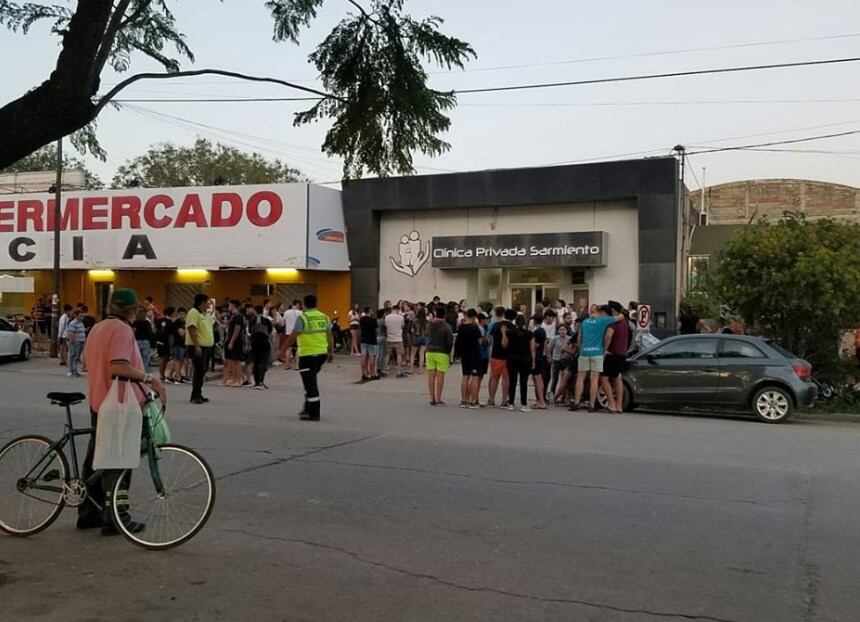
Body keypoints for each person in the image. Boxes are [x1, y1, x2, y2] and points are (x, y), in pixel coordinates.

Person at [77, 288, 166, 535]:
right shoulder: (122, 330)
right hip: (119, 405)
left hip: (99, 401)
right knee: (119, 462)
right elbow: (118, 366)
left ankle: (88, 512)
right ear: (130, 310)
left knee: (96, 460)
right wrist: (150, 379)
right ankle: (117, 518)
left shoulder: (97, 328)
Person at [284, 294, 334, 421]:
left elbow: (293, 336)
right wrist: (330, 352)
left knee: (310, 384)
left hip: (307, 355)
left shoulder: (303, 318)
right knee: (310, 381)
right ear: (316, 303)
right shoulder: (324, 317)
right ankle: (307, 408)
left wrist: (282, 350)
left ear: (304, 305)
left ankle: (314, 412)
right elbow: (330, 336)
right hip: (321, 355)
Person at [572, 304, 624, 412]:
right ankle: (591, 405)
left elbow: (579, 337)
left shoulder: (585, 322)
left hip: (584, 352)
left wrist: (581, 350)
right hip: (597, 352)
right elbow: (620, 317)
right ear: (599, 312)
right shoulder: (603, 320)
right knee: (594, 379)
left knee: (580, 378)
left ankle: (576, 402)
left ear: (591, 312)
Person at [600, 301, 630, 413]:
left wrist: (604, 349)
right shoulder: (624, 322)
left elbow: (609, 335)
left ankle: (611, 403)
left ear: (612, 310)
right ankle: (619, 405)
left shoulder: (613, 321)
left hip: (612, 353)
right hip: (622, 353)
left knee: (604, 377)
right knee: (617, 377)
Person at [501, 314, 535, 412]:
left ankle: (511, 403)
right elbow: (532, 348)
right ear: (525, 322)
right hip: (525, 359)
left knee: (512, 381)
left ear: (515, 322)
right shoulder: (529, 334)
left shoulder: (509, 333)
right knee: (523, 382)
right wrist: (533, 361)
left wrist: (503, 333)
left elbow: (504, 345)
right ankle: (524, 404)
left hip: (512, 359)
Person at [186, 293, 215, 404]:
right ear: (202, 302)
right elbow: (192, 329)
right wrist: (197, 345)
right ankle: (195, 395)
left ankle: (199, 393)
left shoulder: (206, 314)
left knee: (203, 370)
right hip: (197, 346)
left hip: (207, 347)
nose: (209, 303)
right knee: (199, 370)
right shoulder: (193, 313)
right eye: (208, 301)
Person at [455, 309, 483, 409]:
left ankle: (464, 400)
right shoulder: (475, 327)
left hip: (464, 354)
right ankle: (473, 401)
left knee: (465, 376)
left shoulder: (461, 327)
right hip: (474, 354)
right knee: (475, 377)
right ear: (474, 317)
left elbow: (458, 340)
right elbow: (480, 341)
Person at [425, 306, 454, 406]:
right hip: (442, 352)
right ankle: (438, 399)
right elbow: (450, 341)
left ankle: (432, 398)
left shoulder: (429, 325)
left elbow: (426, 335)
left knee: (431, 375)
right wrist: (449, 353)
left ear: (435, 313)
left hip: (429, 351)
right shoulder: (447, 326)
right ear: (444, 315)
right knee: (440, 376)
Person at [487, 307, 514, 407]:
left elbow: (491, 338)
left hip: (496, 354)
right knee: (506, 379)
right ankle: (504, 399)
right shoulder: (512, 326)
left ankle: (491, 398)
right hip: (507, 356)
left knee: (494, 377)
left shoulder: (496, 325)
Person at [249, 305, 273, 389]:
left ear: (255, 311)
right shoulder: (267, 321)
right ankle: (261, 381)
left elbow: (249, 331)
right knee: (263, 361)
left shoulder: (252, 321)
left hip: (254, 343)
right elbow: (270, 331)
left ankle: (256, 382)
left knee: (256, 361)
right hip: (264, 342)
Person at [224, 300, 246, 387]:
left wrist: (232, 341)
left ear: (233, 305)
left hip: (236, 341)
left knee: (237, 361)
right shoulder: (232, 316)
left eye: (229, 305)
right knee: (232, 360)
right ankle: (233, 378)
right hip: (230, 339)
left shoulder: (238, 316)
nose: (228, 307)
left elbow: (237, 329)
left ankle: (238, 379)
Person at [549, 323, 570, 400]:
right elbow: (549, 348)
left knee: (565, 378)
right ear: (558, 331)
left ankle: (563, 396)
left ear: (566, 330)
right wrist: (550, 358)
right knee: (555, 378)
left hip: (565, 360)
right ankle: (552, 393)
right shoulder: (555, 339)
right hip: (556, 360)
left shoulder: (569, 339)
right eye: (560, 329)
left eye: (564, 329)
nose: (562, 331)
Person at [384, 305, 406, 378]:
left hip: (389, 338)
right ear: (397, 310)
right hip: (398, 338)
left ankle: (385, 370)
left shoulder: (387, 317)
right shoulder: (400, 317)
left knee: (387, 355)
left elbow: (386, 326)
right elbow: (402, 326)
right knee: (399, 355)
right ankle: (399, 372)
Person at [155, 306, 175, 382]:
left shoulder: (159, 321)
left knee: (161, 358)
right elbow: (171, 335)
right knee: (165, 358)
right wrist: (171, 346)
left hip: (159, 341)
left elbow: (156, 330)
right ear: (172, 313)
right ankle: (162, 375)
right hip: (166, 342)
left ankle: (161, 375)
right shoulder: (170, 323)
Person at [359, 306, 379, 382]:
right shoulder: (373, 320)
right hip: (371, 340)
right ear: (370, 311)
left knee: (363, 356)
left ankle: (363, 373)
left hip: (363, 339)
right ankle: (372, 373)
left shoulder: (361, 319)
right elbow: (376, 329)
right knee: (372, 356)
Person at [66, 309, 87, 377]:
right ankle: (71, 371)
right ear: (76, 316)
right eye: (80, 316)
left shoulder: (81, 323)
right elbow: (70, 332)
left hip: (81, 341)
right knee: (73, 356)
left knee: (77, 357)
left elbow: (82, 331)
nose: (82, 317)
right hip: (76, 342)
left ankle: (75, 370)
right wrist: (73, 341)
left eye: (82, 316)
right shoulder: (73, 323)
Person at [132, 307, 154, 373]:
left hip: (137, 341)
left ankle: (137, 371)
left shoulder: (134, 322)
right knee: (145, 359)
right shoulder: (147, 322)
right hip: (146, 342)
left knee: (137, 358)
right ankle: (145, 373)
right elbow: (151, 332)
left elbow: (133, 332)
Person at [283, 300, 302, 370]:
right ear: (297, 304)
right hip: (297, 333)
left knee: (288, 349)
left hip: (288, 333)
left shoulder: (286, 312)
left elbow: (284, 323)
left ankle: (286, 365)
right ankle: (297, 366)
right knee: (297, 349)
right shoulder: (300, 313)